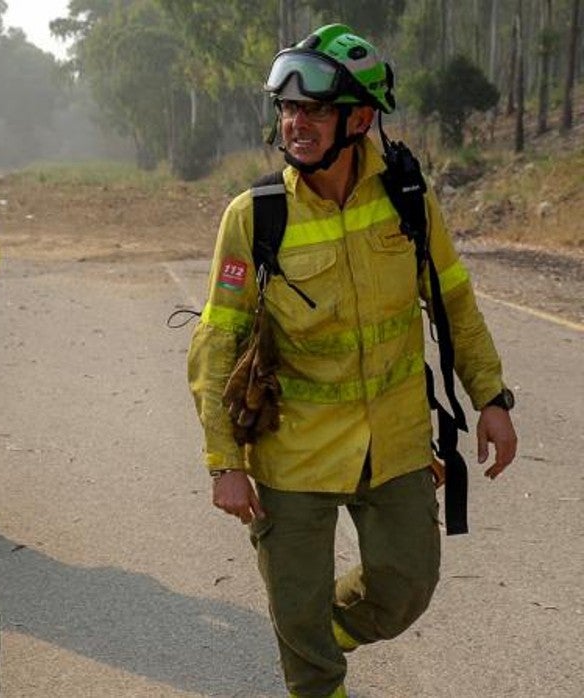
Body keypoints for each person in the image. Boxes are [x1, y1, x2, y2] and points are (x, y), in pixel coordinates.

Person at [187, 24, 518, 698]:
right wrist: (225, 463)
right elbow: (217, 346)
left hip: (392, 445)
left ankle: (313, 627)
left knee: (406, 589)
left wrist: (492, 398)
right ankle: (309, 649)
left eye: (313, 109)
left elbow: (455, 303)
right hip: (291, 456)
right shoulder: (255, 217)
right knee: (308, 659)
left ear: (360, 117)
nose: (295, 122)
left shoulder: (407, 201)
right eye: (286, 108)